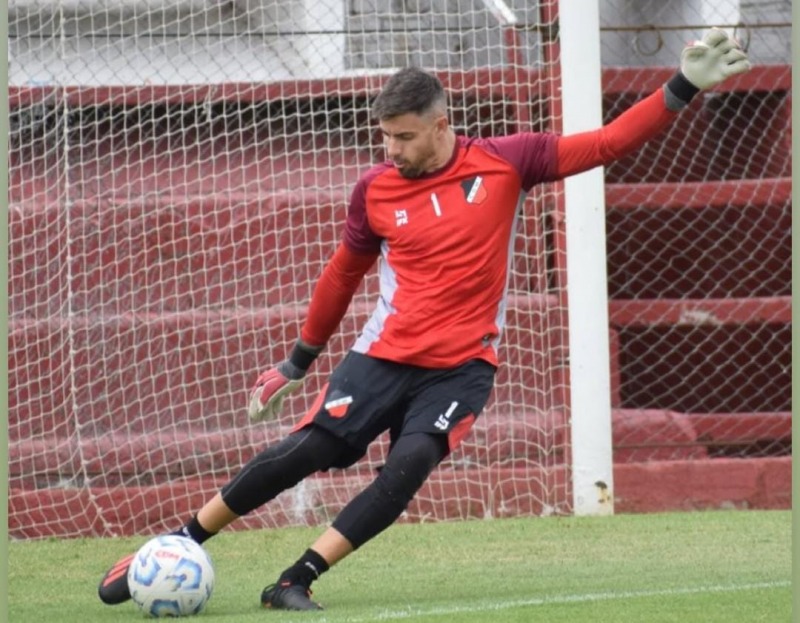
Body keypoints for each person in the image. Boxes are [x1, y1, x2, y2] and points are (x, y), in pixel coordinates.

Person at [98, 28, 749, 611]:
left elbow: (606, 143)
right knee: (310, 449)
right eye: (386, 136)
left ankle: (294, 579)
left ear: (442, 125)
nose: (392, 148)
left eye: (405, 136)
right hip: (382, 355)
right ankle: (178, 542)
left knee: (407, 464)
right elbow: (341, 275)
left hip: (462, 368)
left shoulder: (506, 161)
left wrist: (682, 85)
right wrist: (297, 360)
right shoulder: (376, 190)